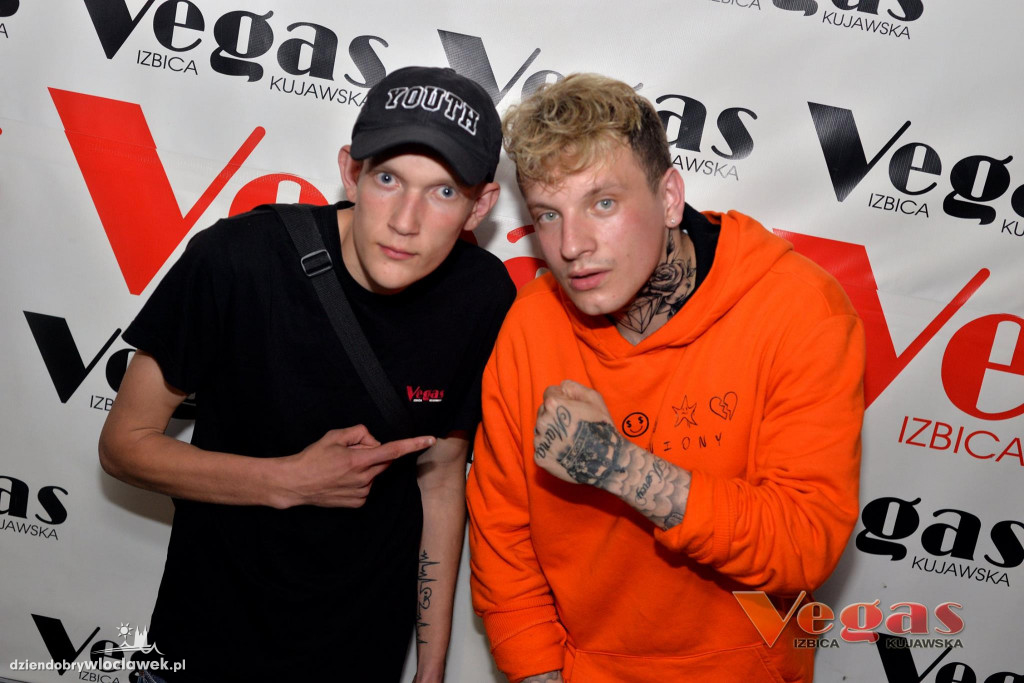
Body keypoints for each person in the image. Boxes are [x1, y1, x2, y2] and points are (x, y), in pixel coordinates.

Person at [98, 66, 516, 682]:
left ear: (480, 206)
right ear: (351, 171)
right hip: (203, 645)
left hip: (362, 658)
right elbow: (123, 446)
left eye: (444, 192)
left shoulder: (482, 297)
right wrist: (289, 481)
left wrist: (431, 669)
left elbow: (441, 481)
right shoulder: (238, 259)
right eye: (389, 179)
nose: (406, 220)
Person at [466, 73, 865, 683]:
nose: (571, 245)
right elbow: (502, 536)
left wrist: (620, 468)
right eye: (549, 214)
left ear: (670, 197)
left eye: (603, 203)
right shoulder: (532, 324)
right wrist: (537, 671)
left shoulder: (798, 309)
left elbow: (804, 543)